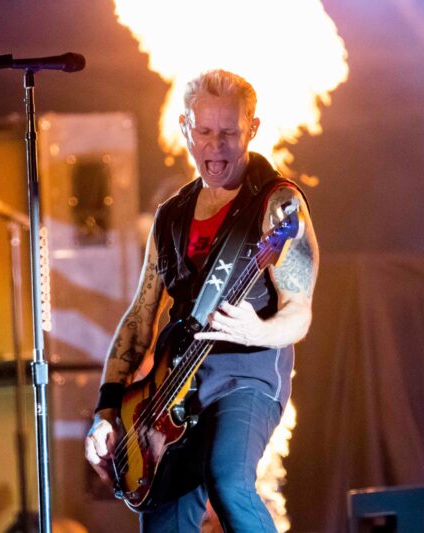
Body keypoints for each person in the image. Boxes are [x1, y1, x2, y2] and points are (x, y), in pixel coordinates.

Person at [84, 69, 318, 532]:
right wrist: (106, 410)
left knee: (227, 480)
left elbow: (300, 311)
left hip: (246, 376)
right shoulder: (170, 216)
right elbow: (140, 317)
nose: (216, 146)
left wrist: (259, 330)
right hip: (173, 385)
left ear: (252, 128)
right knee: (162, 518)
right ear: (185, 128)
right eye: (205, 131)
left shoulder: (276, 204)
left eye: (229, 133)